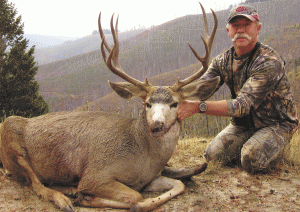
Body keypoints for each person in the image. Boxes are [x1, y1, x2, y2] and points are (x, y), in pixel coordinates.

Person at [177, 4, 299, 173]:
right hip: (243, 124)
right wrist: (165, 96)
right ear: (228, 31)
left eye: (246, 25)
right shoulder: (222, 61)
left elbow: (242, 106)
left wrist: (198, 107)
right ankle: (249, 143)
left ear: (258, 29)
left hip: (276, 124)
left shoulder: (269, 61)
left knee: (251, 159)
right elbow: (200, 89)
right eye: (236, 26)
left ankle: (276, 149)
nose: (241, 30)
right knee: (213, 156)